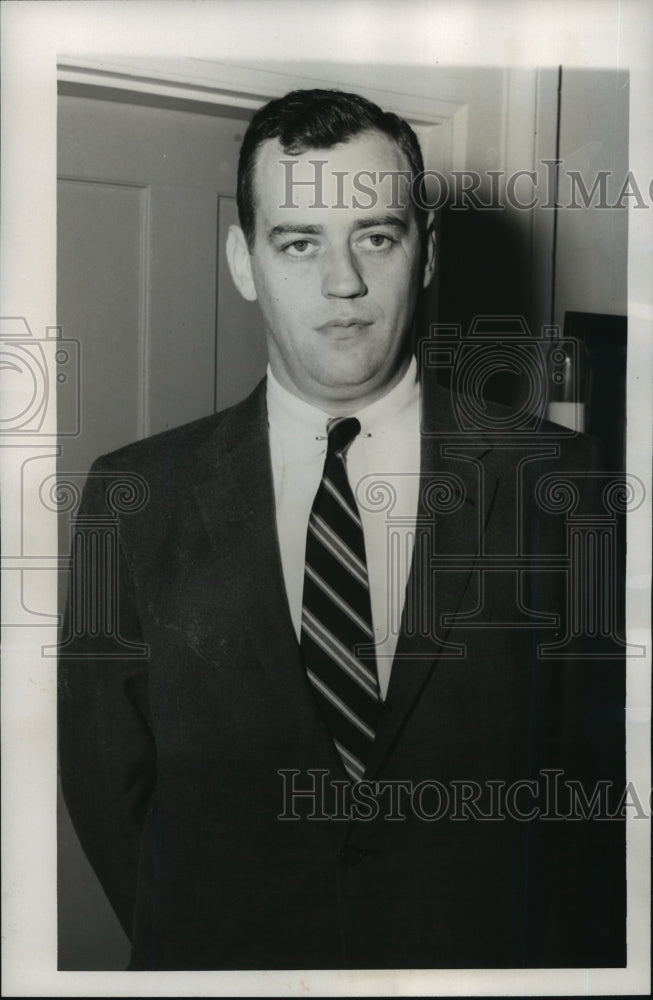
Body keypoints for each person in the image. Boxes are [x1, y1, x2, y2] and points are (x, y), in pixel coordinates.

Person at [58, 88, 625, 971]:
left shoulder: (561, 481)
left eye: (375, 236)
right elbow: (106, 786)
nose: (342, 283)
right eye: (297, 242)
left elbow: (590, 794)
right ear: (243, 260)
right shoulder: (134, 495)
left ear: (425, 254)